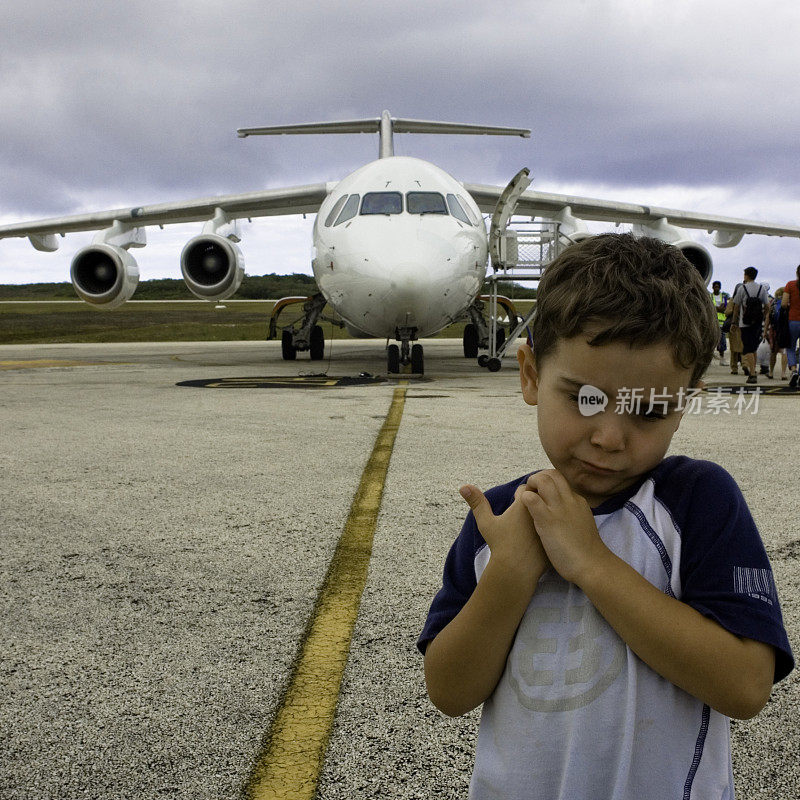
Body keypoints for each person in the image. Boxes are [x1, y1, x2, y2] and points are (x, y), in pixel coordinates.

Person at [418, 234, 793, 800]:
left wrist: (592, 564)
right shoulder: (499, 519)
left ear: (686, 401)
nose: (611, 437)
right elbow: (449, 691)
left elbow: (744, 686)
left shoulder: (699, 502)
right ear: (529, 375)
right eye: (585, 398)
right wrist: (511, 574)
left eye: (649, 411)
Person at [729, 266, 770, 384]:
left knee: (747, 348)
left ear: (746, 275)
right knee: (753, 347)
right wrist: (762, 316)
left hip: (745, 323)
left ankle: (752, 374)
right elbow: (767, 306)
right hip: (757, 323)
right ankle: (754, 370)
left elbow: (736, 307)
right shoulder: (761, 289)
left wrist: (734, 322)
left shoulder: (742, 288)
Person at [766, 287, 788, 380]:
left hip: (774, 329)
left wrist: (765, 331)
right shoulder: (788, 303)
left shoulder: (773, 302)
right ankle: (783, 374)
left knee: (773, 352)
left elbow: (768, 317)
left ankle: (771, 372)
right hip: (785, 329)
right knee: (785, 352)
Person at [784, 265, 800, 388]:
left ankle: (794, 369)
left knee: (790, 347)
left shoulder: (790, 285)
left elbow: (784, 303)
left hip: (793, 320)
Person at [710, 280, 729, 363]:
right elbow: (709, 307)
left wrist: (715, 308)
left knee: (722, 341)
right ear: (713, 287)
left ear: (720, 288)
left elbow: (725, 308)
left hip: (721, 322)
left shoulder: (724, 297)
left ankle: (722, 358)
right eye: (715, 286)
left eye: (718, 287)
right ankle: (709, 358)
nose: (716, 288)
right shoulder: (710, 296)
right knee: (711, 340)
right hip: (712, 322)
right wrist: (718, 308)